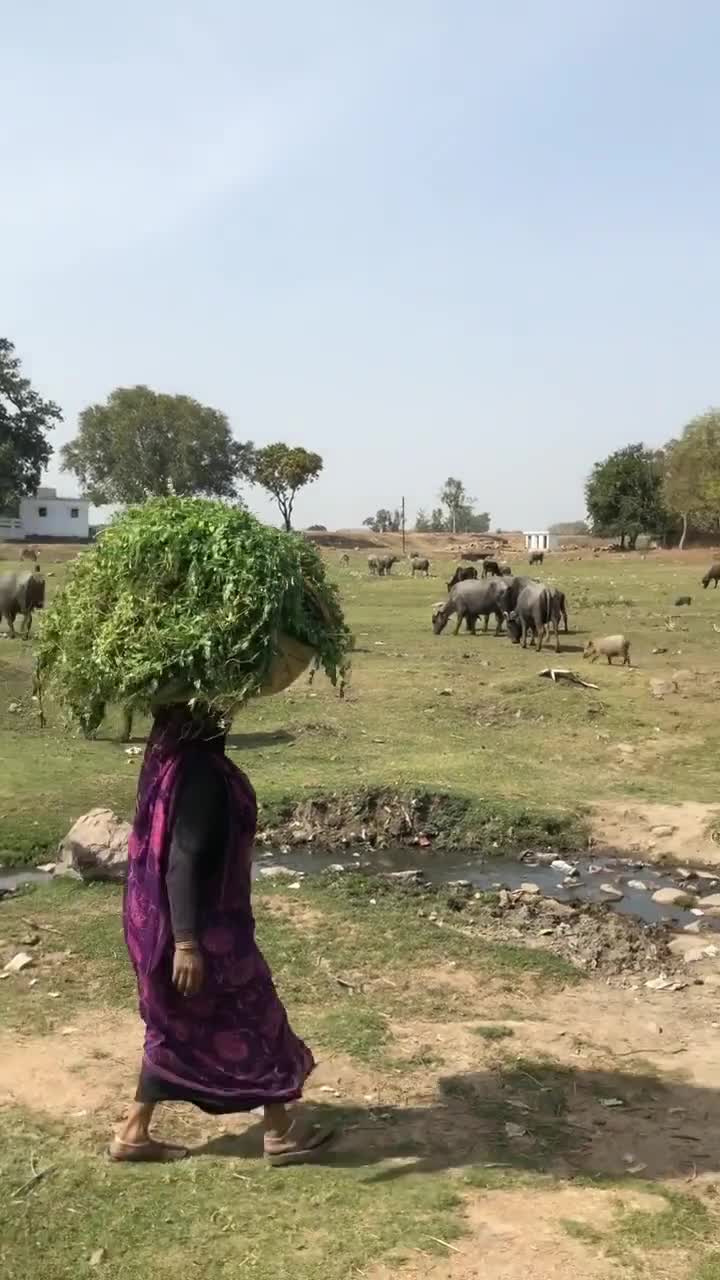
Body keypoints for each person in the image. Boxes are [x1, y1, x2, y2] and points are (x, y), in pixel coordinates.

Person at [109, 703, 331, 1166]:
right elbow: (182, 860)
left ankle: (134, 1132)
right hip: (204, 932)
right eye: (217, 714)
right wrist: (188, 943)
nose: (227, 720)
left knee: (174, 1027)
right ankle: (281, 1131)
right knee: (257, 1015)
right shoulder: (202, 775)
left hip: (170, 923)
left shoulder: (172, 763)